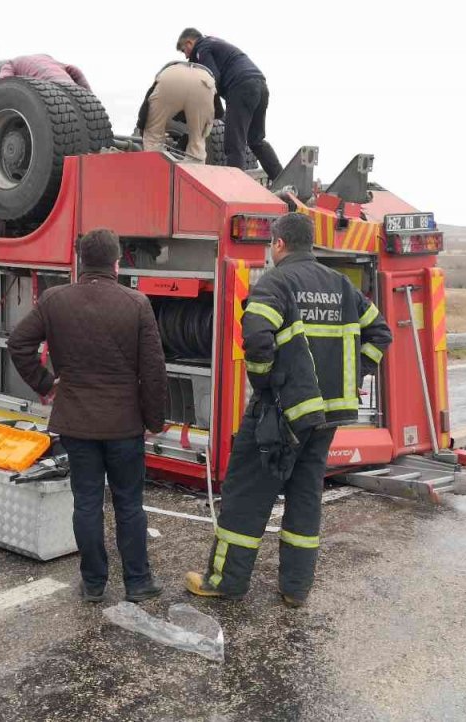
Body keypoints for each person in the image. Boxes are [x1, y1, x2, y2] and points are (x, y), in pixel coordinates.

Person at [184, 212, 392, 607]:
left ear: (278, 243)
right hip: (327, 416)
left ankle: (226, 581)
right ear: (309, 243)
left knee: (247, 492)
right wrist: (352, 377)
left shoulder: (277, 282)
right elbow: (380, 333)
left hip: (281, 414)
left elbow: (258, 338)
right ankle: (296, 588)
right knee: (305, 495)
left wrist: (265, 384)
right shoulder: (341, 285)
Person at [8, 228, 168, 603]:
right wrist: (153, 421)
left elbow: (19, 344)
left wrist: (46, 383)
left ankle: (94, 583)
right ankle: (138, 582)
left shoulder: (54, 300)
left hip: (76, 423)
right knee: (129, 503)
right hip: (125, 425)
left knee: (87, 503)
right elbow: (154, 369)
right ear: (116, 263)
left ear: (80, 261)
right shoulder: (137, 303)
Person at [176, 28, 282, 180]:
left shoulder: (201, 48)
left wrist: (208, 109)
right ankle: (285, 184)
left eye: (183, 50)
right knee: (256, 140)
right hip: (260, 86)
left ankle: (236, 188)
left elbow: (212, 79)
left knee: (234, 143)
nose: (186, 55)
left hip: (241, 87)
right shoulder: (216, 43)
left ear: (189, 42)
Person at [135, 60, 223, 162]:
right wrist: (197, 128)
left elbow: (146, 106)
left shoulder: (169, 72)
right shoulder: (206, 76)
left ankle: (155, 169)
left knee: (153, 137)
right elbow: (219, 112)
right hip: (205, 80)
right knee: (197, 142)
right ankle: (191, 173)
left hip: (171, 76)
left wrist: (142, 126)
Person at [0, 54, 91, 90]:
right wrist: (87, 93)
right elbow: (74, 69)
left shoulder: (9, 64)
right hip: (72, 87)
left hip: (49, 90)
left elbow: (3, 79)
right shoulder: (46, 58)